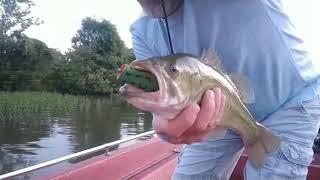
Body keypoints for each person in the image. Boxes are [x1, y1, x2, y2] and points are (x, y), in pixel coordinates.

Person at [130, 0, 320, 179]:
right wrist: (162, 122)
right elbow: (160, 101)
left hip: (291, 100)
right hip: (216, 115)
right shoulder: (140, 32)